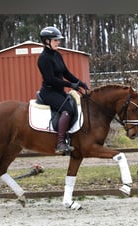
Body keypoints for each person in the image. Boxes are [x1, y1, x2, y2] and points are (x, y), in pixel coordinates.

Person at [37, 26, 89, 154]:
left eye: (58, 40)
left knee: (75, 106)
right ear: (47, 41)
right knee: (68, 109)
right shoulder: (44, 58)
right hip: (49, 92)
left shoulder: (57, 55)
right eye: (55, 40)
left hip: (59, 91)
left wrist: (80, 82)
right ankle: (60, 143)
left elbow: (66, 72)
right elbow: (50, 79)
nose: (58, 42)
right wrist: (71, 85)